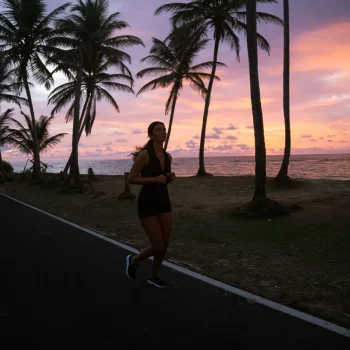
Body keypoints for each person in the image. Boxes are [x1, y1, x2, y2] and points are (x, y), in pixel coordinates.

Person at [126, 121, 176, 288]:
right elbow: (131, 178)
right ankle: (134, 260)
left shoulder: (168, 157)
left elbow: (162, 182)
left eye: (164, 130)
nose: (163, 132)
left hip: (163, 201)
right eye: (158, 130)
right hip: (147, 203)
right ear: (151, 134)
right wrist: (155, 179)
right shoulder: (144, 155)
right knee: (158, 245)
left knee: (165, 244)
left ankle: (153, 276)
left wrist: (168, 178)